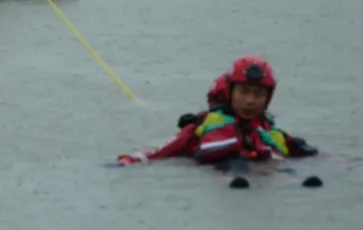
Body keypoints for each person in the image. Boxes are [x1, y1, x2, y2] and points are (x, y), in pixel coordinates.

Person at [118, 56, 319, 165]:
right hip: (227, 176)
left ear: (268, 99)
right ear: (229, 93)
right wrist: (130, 160)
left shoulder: (268, 130)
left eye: (258, 94)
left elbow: (307, 153)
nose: (250, 101)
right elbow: (163, 149)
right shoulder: (206, 124)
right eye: (244, 92)